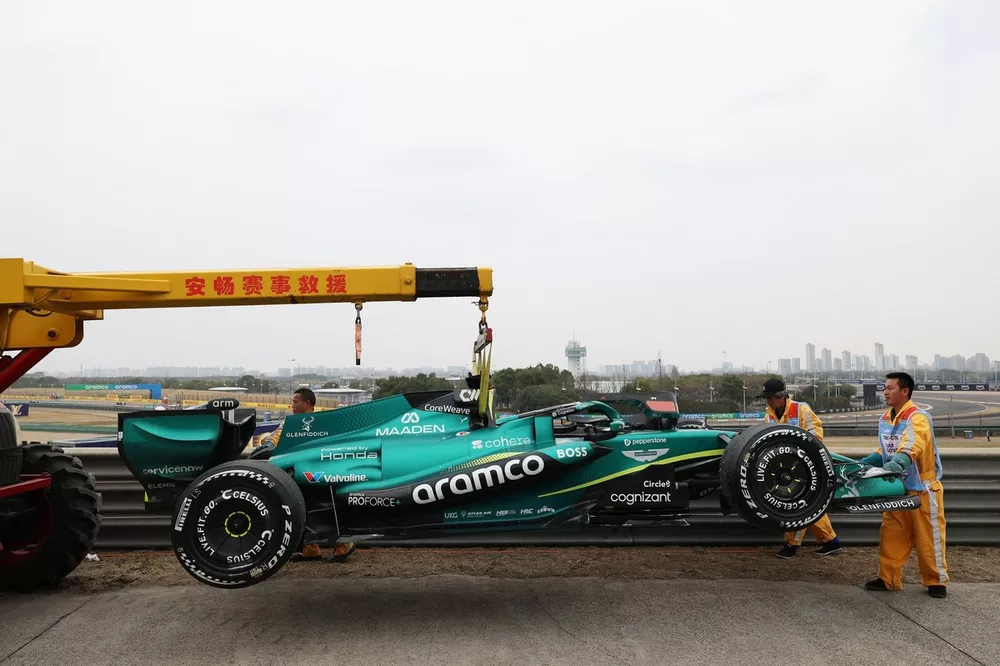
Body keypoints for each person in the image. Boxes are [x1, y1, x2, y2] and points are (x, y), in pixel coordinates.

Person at [858, 372, 947, 598]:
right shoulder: (885, 419)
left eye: (890, 388)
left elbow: (913, 442)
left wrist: (900, 460)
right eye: (884, 388)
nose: (885, 392)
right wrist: (866, 462)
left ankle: (935, 582)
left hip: (922, 489)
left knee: (929, 537)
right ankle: (888, 579)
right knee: (892, 534)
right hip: (896, 487)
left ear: (904, 391)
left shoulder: (918, 417)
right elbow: (886, 449)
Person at [258, 387, 356, 564]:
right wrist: (267, 443)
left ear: (307, 403)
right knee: (305, 507)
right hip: (300, 473)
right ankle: (311, 548)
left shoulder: (325, 421)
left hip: (325, 472)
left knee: (330, 507)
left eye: (295, 401)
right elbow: (271, 440)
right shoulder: (289, 423)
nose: (292, 405)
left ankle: (343, 545)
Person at [760, 378, 842, 558]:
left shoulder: (801, 410)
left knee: (797, 506)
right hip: (785, 467)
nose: (768, 401)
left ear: (781, 396)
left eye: (770, 397)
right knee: (811, 506)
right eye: (766, 398)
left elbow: (816, 436)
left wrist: (802, 455)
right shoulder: (768, 415)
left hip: (806, 467)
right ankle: (831, 541)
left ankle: (792, 545)